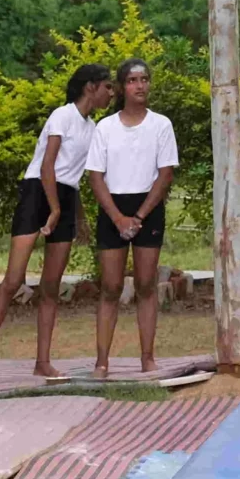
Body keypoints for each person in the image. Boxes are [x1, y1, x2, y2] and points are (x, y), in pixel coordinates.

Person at [0, 63, 114, 384]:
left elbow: (75, 177)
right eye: (108, 87)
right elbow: (48, 165)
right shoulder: (62, 115)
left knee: (50, 286)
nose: (111, 94)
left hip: (65, 198)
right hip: (37, 192)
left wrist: (77, 216)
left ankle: (42, 362)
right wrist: (54, 208)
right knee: (13, 280)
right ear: (91, 87)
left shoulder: (94, 129)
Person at [84, 58, 177, 378]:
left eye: (145, 79)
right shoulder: (105, 127)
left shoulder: (161, 124)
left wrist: (138, 216)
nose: (140, 86)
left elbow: (165, 175)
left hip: (147, 207)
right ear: (122, 87)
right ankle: (102, 361)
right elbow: (96, 176)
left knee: (146, 284)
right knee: (110, 286)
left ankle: (148, 358)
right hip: (113, 206)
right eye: (133, 80)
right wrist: (118, 218)